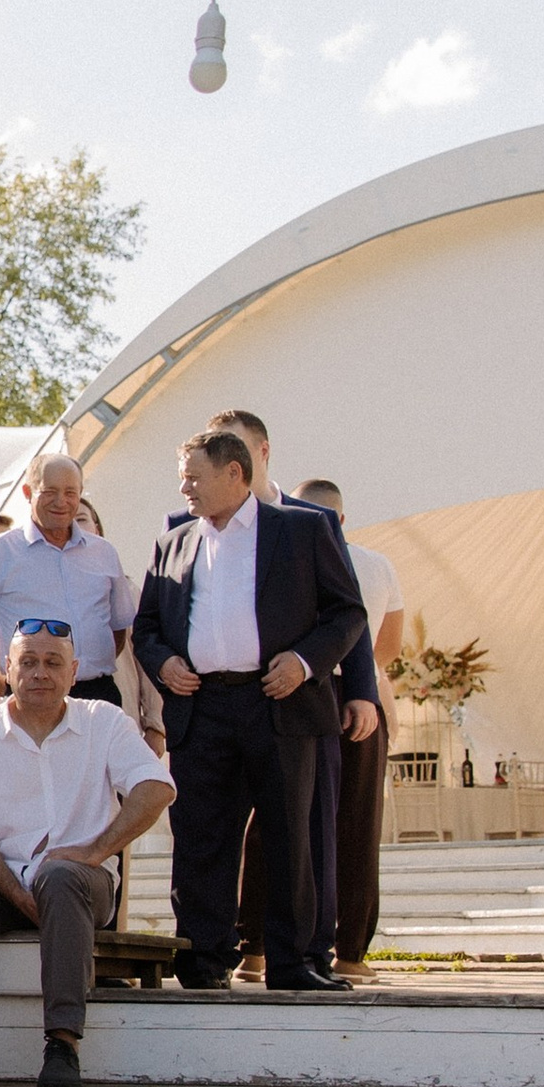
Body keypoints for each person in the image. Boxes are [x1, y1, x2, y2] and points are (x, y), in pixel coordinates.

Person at [134, 429, 367, 993]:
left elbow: (347, 612)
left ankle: (293, 963)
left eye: (194, 476)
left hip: (278, 702)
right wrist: (163, 663)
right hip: (200, 706)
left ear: (235, 473)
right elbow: (146, 625)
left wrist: (306, 662)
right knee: (201, 838)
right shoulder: (174, 542)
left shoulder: (304, 529)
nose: (184, 487)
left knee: (291, 837)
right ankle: (203, 961)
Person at [0, 624, 175, 1087]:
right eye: (28, 662)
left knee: (59, 875)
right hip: (1, 880)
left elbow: (155, 787)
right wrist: (17, 893)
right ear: (7, 669)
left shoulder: (104, 720)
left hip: (81, 882)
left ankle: (62, 1045)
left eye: (53, 662)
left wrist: (96, 851)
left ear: (73, 673)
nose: (40, 672)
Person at [212, 410, 385, 982]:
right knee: (227, 828)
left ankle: (308, 951)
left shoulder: (313, 520)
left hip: (305, 699)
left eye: (235, 449)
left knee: (310, 828)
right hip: (225, 702)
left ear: (263, 452)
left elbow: (347, 609)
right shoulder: (190, 521)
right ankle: (232, 946)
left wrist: (361, 693)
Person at [299, 476, 405, 972]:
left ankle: (253, 942)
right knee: (357, 821)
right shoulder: (375, 563)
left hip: (306, 687)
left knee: (283, 817)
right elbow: (388, 648)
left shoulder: (286, 556)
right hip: (357, 688)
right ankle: (350, 951)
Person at [0, 451, 134, 706]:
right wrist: (3, 686)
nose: (61, 501)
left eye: (70, 492)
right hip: (31, 698)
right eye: (49, 491)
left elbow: (118, 627)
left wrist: (89, 665)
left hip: (99, 696)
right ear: (27, 492)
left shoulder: (104, 553)